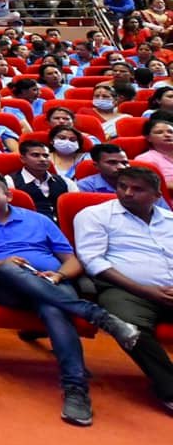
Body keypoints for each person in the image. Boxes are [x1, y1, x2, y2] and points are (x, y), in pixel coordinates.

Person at [0, 171, 143, 425]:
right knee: (11, 270)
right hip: (4, 286)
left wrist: (58, 275)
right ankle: (98, 316)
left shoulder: (38, 220)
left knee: (54, 309)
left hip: (50, 283)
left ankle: (76, 391)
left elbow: (72, 261)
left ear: (8, 195)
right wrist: (0, 263)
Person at [72, 167, 173, 412]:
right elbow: (93, 261)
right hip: (126, 290)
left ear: (157, 195)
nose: (127, 193)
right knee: (129, 328)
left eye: (137, 189)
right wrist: (146, 290)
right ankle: (169, 388)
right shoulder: (95, 215)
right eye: (122, 186)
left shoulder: (170, 220)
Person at [11, 137, 72, 219]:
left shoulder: (65, 181)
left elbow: (75, 206)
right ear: (23, 159)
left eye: (46, 156)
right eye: (35, 155)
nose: (42, 159)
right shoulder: (10, 181)